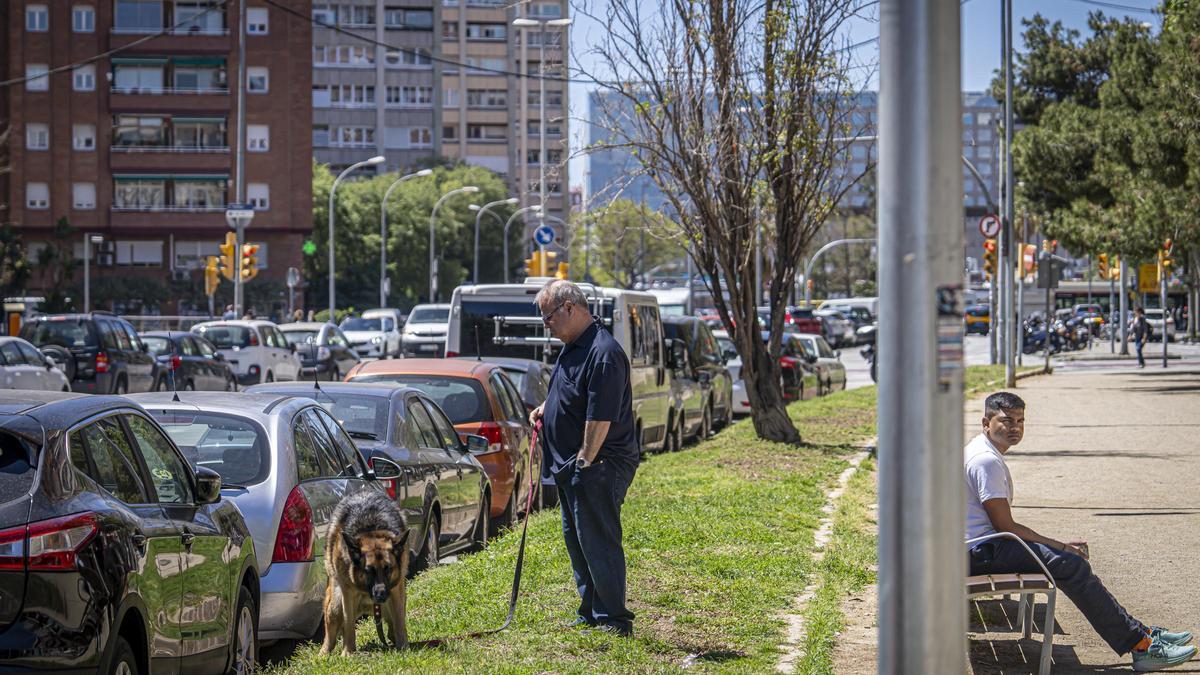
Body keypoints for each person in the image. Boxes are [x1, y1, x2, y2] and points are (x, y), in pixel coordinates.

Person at [966, 392, 1195, 671]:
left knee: (1068, 562)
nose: (1015, 427)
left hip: (980, 546)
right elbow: (1006, 527)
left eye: (1021, 420)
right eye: (1006, 420)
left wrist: (1057, 546)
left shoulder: (982, 451)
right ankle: (1141, 646)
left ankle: (1142, 635)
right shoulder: (985, 461)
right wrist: (1060, 547)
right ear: (985, 422)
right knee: (1070, 565)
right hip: (979, 551)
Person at [529, 280, 639, 637]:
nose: (547, 325)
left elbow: (600, 417)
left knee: (598, 540)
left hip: (598, 465)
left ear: (570, 308)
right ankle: (591, 611)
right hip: (572, 466)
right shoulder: (574, 346)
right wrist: (547, 409)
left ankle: (613, 618)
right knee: (577, 540)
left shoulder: (603, 352)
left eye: (548, 318)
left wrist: (584, 460)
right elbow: (571, 393)